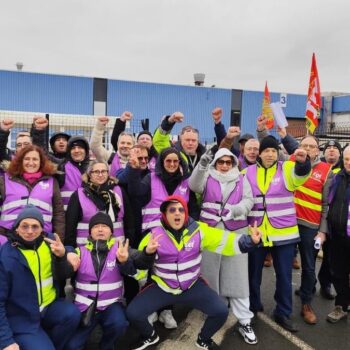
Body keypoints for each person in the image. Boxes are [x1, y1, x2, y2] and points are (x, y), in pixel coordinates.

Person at [126, 195, 262, 350]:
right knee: (132, 313)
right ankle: (150, 335)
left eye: (181, 209)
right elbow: (139, 269)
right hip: (162, 287)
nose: (177, 213)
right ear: (164, 214)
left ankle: (203, 339)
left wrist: (250, 241)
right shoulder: (153, 236)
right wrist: (129, 261)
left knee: (220, 311)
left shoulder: (199, 230)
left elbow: (225, 240)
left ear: (186, 213)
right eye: (172, 210)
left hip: (192, 286)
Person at [189, 148, 257, 345]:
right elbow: (193, 185)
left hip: (236, 231)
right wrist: (202, 164)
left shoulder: (242, 179)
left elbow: (249, 200)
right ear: (216, 163)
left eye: (228, 162)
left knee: (237, 276)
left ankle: (245, 320)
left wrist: (236, 210)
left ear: (234, 163)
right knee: (210, 274)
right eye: (221, 162)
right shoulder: (207, 176)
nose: (225, 165)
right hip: (210, 232)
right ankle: (213, 309)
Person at [64, 212, 157, 350]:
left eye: (104, 226)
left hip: (111, 305)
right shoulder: (79, 252)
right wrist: (66, 253)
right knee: (72, 346)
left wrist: (148, 253)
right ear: (90, 231)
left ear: (111, 231)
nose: (100, 229)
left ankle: (107, 346)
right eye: (96, 226)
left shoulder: (120, 250)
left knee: (119, 323)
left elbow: (141, 261)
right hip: (85, 308)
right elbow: (63, 269)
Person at [246, 136, 311, 332]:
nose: (270, 154)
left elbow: (303, 171)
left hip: (284, 235)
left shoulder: (288, 169)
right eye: (266, 150)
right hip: (256, 233)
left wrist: (303, 160)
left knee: (284, 276)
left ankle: (283, 312)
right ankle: (253, 307)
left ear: (278, 153)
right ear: (260, 153)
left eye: (273, 151)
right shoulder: (246, 172)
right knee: (252, 276)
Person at [0, 205, 81, 350]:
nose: (30, 231)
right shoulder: (5, 256)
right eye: (24, 226)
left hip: (48, 308)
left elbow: (63, 258)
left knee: (72, 314)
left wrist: (67, 253)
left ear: (42, 229)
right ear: (16, 228)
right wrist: (5, 341)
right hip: (22, 318)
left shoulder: (49, 242)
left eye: (35, 226)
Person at [280, 134, 333, 324]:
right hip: (288, 223)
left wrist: (322, 231)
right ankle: (282, 306)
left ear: (318, 150)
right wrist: (265, 131)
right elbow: (269, 153)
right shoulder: (293, 160)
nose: (308, 149)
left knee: (309, 267)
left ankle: (306, 304)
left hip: (311, 228)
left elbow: (327, 205)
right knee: (284, 265)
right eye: (305, 145)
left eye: (312, 146)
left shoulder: (327, 171)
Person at [0, 144, 65, 239]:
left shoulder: (52, 182)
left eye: (35, 159)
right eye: (27, 159)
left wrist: (58, 240)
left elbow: (58, 214)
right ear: (20, 161)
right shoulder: (5, 180)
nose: (31, 163)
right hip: (8, 237)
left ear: (41, 162)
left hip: (42, 238)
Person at [64, 160, 134, 248]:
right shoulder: (79, 195)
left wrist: (129, 246)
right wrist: (70, 250)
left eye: (104, 171)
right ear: (90, 174)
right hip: (87, 251)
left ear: (108, 173)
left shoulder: (119, 191)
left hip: (116, 250)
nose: (100, 175)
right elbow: (70, 227)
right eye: (96, 172)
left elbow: (129, 223)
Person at [326, 146, 350, 323]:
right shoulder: (336, 177)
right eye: (347, 159)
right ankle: (341, 305)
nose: (349, 163)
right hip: (337, 235)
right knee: (337, 272)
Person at [56, 136, 90, 210]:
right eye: (73, 148)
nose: (76, 150)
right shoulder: (62, 168)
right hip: (67, 217)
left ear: (86, 151)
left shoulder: (93, 169)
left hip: (89, 218)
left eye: (80, 147)